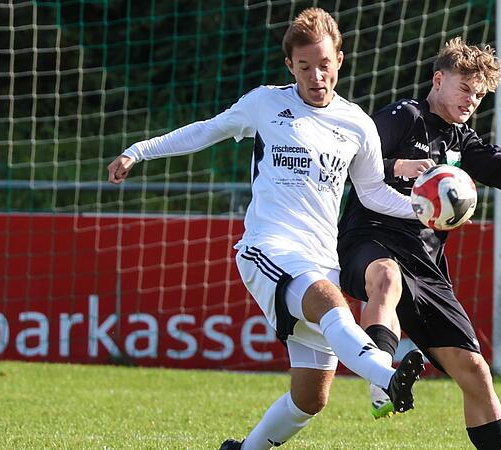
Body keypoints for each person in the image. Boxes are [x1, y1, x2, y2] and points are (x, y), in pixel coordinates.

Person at [106, 8, 426, 450]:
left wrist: (420, 210)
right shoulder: (265, 103)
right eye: (304, 66)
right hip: (268, 248)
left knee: (310, 398)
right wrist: (137, 152)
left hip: (320, 258)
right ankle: (387, 377)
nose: (316, 76)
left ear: (340, 61)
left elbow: (372, 193)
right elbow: (206, 131)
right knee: (331, 303)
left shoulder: (358, 124)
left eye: (324, 64)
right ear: (289, 67)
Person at [336, 37, 501, 449]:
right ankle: (380, 379)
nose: (472, 100)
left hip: (426, 264)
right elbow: (349, 156)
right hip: (370, 237)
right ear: (438, 80)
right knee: (386, 280)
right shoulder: (403, 116)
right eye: (465, 88)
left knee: (476, 372)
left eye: (479, 94)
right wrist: (395, 165)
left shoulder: (464, 141)